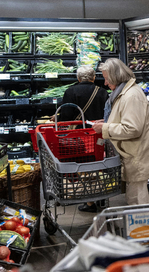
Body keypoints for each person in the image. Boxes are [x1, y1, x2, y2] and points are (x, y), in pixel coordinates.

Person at [92, 58, 149, 206]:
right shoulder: (123, 92)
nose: (105, 83)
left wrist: (105, 128)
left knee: (138, 198)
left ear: (116, 76)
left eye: (107, 79)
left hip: (138, 153)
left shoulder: (131, 96)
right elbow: (125, 118)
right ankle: (137, 226)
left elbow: (132, 128)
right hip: (133, 152)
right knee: (134, 194)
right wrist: (106, 123)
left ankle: (143, 227)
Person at [53, 66, 108, 213]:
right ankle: (100, 193)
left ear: (78, 78)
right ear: (94, 77)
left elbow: (65, 117)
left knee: (81, 166)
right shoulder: (102, 92)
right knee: (97, 162)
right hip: (98, 136)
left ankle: (87, 199)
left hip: (77, 138)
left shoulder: (70, 92)